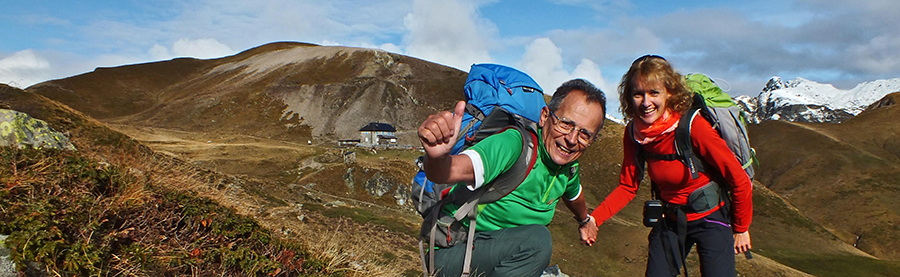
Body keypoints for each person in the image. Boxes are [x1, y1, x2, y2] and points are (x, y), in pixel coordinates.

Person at [418, 79, 606, 277]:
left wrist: (585, 221)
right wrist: (437, 158)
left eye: (585, 134)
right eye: (566, 124)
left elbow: (574, 195)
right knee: (537, 241)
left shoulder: (568, 168)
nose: (572, 139)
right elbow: (449, 171)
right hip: (453, 253)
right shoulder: (514, 145)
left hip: (499, 258)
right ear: (544, 116)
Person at [589, 55, 752, 276]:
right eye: (638, 94)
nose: (646, 103)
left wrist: (741, 228)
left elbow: (738, 179)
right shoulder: (634, 134)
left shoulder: (694, 127)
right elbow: (627, 187)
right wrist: (594, 219)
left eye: (654, 93)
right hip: (670, 220)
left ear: (670, 93)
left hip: (712, 219)